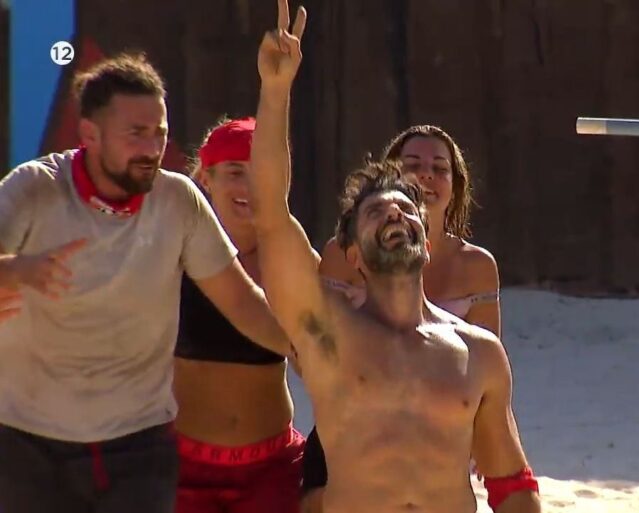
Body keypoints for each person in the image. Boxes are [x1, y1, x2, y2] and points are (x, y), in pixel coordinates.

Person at [249, 3, 540, 512]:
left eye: (407, 210)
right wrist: (275, 92)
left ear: (427, 244)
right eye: (375, 213)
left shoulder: (479, 353)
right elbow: (271, 215)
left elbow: (510, 481)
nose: (395, 214)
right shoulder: (327, 331)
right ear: (353, 255)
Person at [0, 53, 291, 513]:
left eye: (160, 132)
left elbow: (244, 305)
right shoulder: (34, 188)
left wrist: (316, 350)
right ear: (90, 135)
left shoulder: (177, 200)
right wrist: (14, 271)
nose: (153, 148)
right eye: (136, 133)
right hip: (30, 444)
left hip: (139, 447)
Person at [302, 124, 501, 512]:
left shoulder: (476, 265)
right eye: (413, 164)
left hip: (441, 422)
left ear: (456, 185)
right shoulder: (345, 251)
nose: (426, 175)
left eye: (439, 168)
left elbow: (487, 368)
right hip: (354, 429)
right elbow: (311, 344)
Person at [173, 117, 310, 513]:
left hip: (272, 469)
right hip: (184, 469)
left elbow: (327, 359)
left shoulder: (292, 259)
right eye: (235, 172)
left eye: (260, 174)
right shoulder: (173, 253)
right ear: (206, 177)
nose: (249, 187)